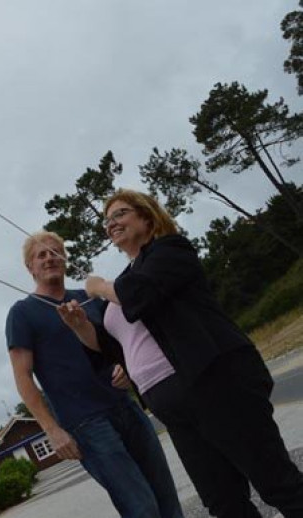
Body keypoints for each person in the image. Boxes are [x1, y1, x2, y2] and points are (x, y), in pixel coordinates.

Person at [59, 189, 303, 518]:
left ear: (146, 217)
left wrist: (99, 286)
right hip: (170, 407)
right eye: (107, 219)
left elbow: (141, 295)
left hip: (214, 383)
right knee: (223, 502)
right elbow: (111, 345)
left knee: (275, 481)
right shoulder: (126, 280)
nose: (111, 223)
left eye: (120, 214)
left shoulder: (169, 250)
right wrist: (79, 326)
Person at [7, 231, 184, 518]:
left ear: (64, 259)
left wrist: (126, 368)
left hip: (125, 406)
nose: (49, 257)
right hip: (85, 423)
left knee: (166, 497)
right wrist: (52, 431)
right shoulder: (22, 313)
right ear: (30, 267)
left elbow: (120, 345)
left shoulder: (89, 299)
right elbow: (23, 377)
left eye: (55, 251)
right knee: (141, 508)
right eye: (41, 255)